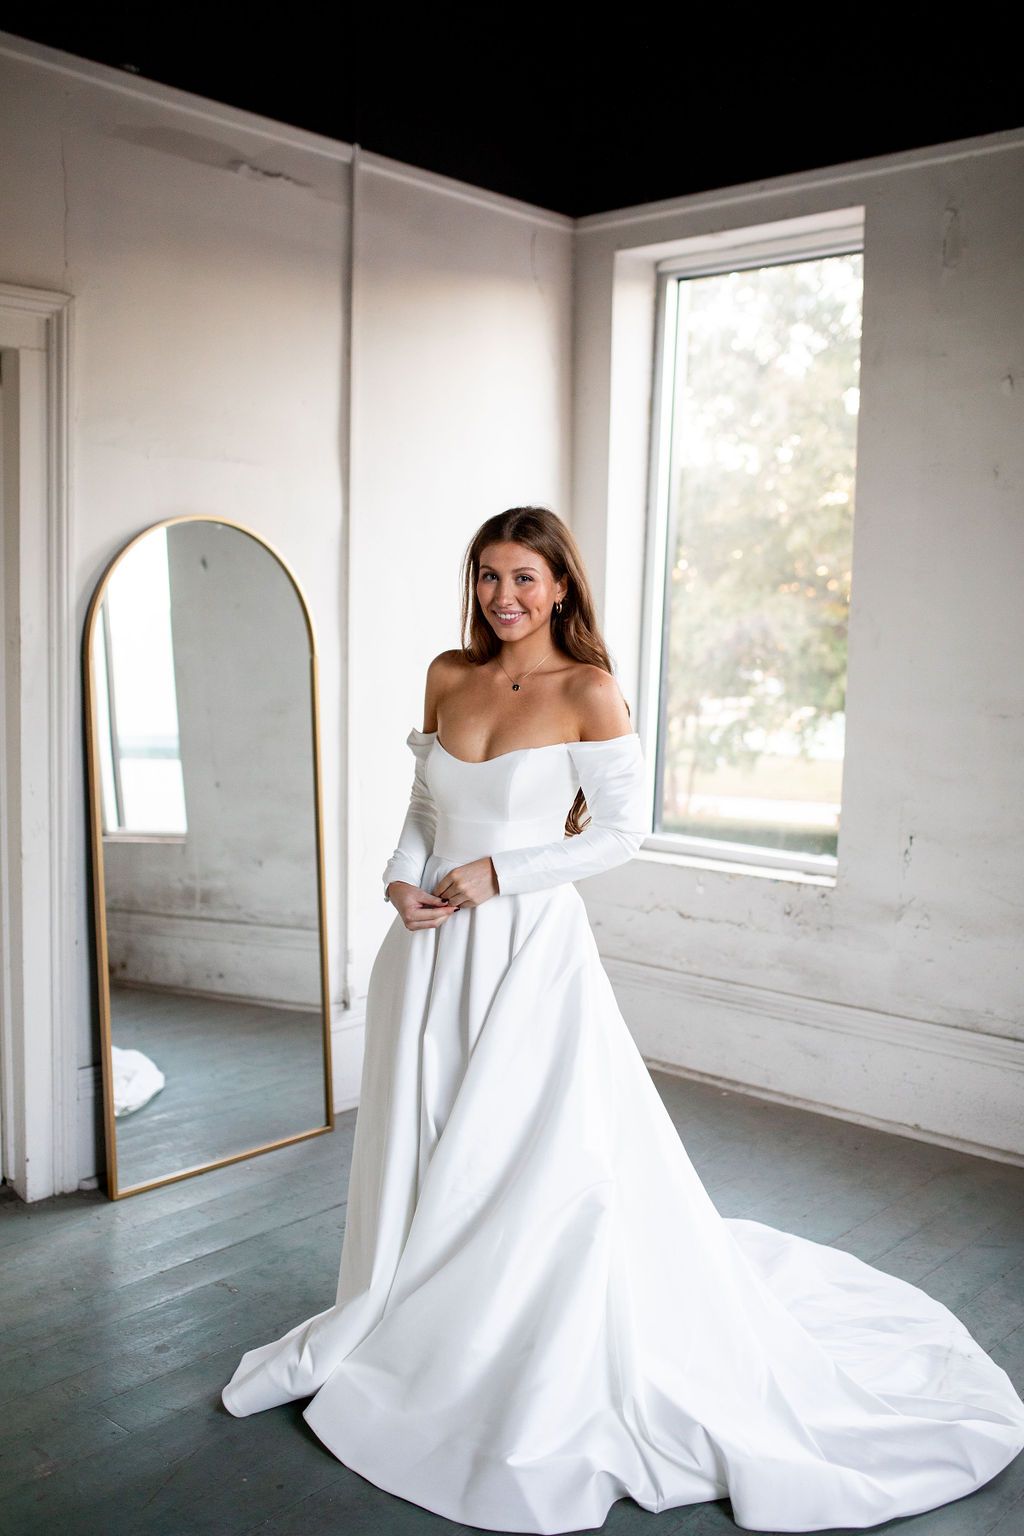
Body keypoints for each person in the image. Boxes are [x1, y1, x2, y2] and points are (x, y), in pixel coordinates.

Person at [222, 506, 1024, 1533]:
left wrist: (501, 872)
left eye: (522, 579)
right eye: (486, 578)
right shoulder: (447, 675)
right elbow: (425, 808)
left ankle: (508, 1330)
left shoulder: (590, 692)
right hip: (427, 950)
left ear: (560, 586)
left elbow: (619, 834)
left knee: (524, 1147)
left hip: (525, 953)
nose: (501, 598)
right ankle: (408, 1300)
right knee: (423, 1135)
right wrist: (398, 882)